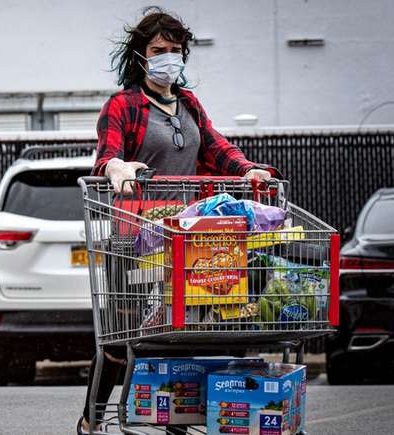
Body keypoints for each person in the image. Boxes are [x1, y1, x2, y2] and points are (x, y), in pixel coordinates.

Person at [78, 8, 278, 434]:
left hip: (186, 234)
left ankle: (176, 424)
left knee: (184, 328)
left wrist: (248, 170)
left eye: (174, 49)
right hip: (134, 236)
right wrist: (117, 168)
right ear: (141, 55)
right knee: (123, 336)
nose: (167, 57)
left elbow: (216, 148)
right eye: (158, 50)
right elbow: (107, 155)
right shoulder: (123, 105)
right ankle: (93, 416)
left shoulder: (188, 104)